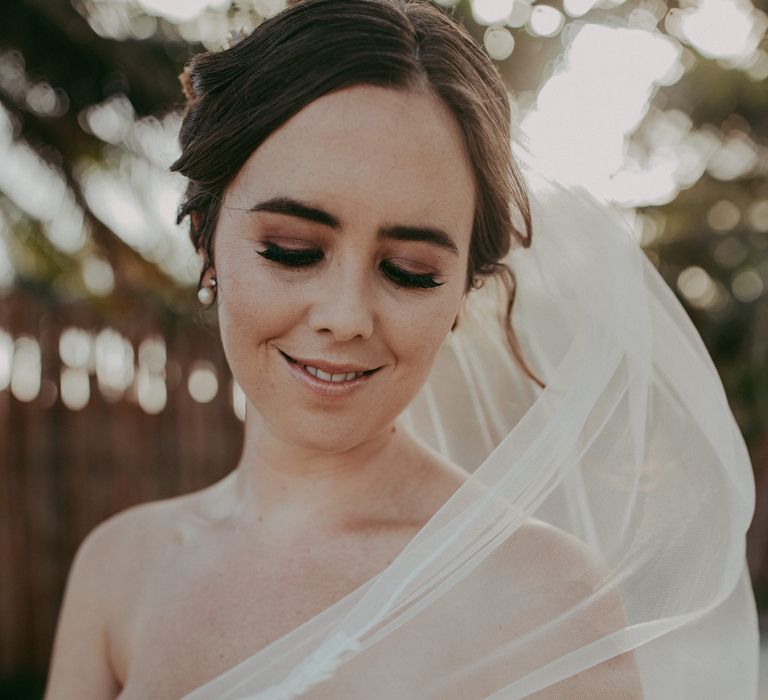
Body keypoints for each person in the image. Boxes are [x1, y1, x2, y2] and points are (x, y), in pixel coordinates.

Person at [44, 0, 759, 698]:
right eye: (292, 251)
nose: (347, 315)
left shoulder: (542, 602)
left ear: (458, 295)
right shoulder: (121, 568)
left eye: (410, 271)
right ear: (206, 240)